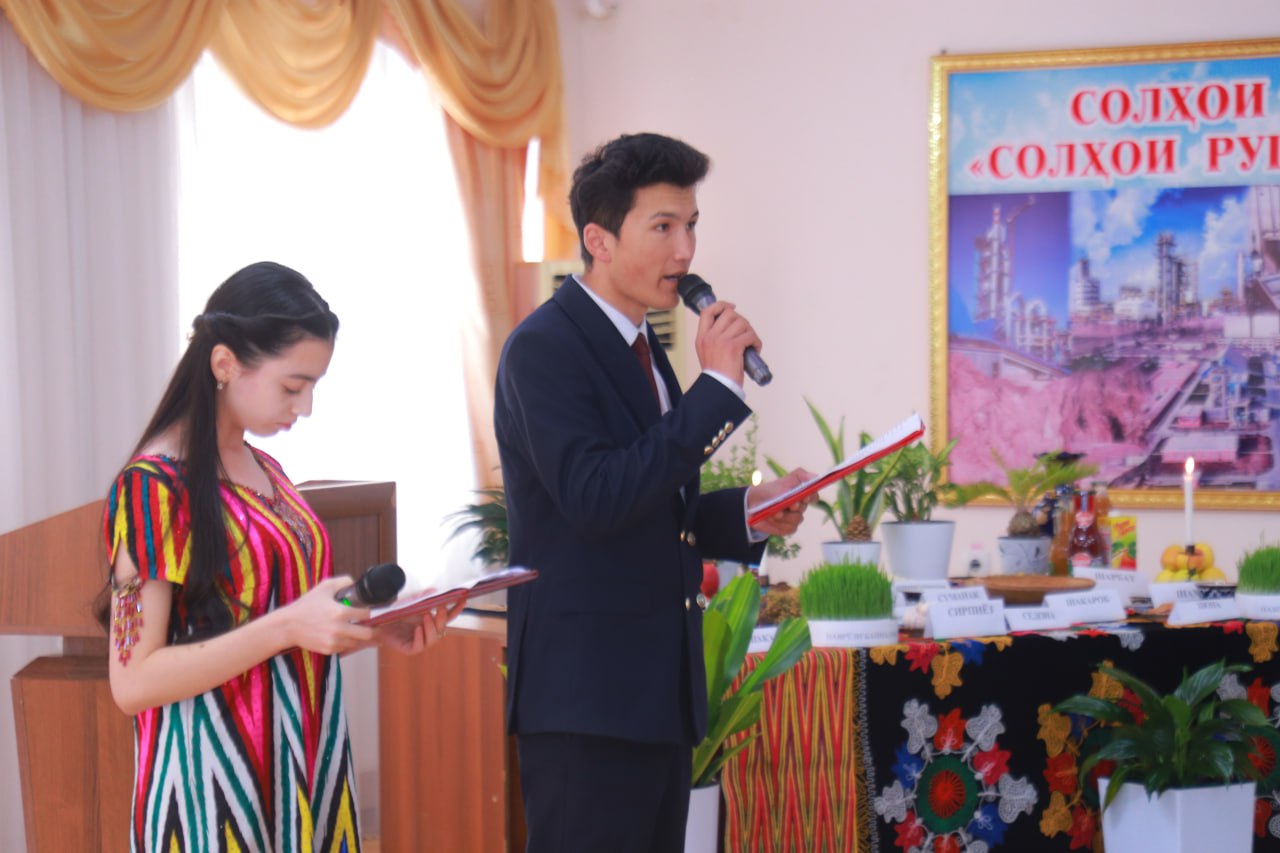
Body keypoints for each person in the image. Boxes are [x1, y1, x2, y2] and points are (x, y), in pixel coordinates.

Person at [493, 132, 816, 853]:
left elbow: (656, 505)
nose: (685, 251)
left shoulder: (643, 348)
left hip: (655, 695)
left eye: (691, 225)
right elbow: (595, 498)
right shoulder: (544, 348)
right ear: (599, 241)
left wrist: (750, 512)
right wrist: (717, 389)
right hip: (586, 700)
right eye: (663, 227)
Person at [99, 261, 463, 853]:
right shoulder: (151, 488)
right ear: (225, 364)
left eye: (314, 386)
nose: (306, 406)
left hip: (304, 765)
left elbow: (273, 624)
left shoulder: (265, 468)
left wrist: (373, 629)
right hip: (213, 789)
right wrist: (291, 625)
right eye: (293, 387)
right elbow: (133, 683)